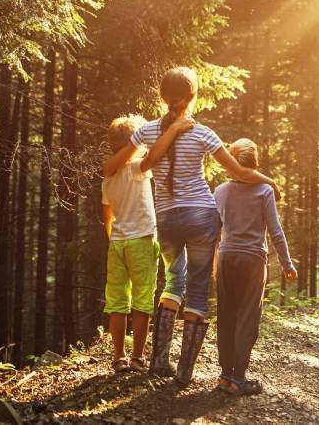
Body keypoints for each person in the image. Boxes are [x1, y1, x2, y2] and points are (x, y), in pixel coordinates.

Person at [102, 67, 281, 385]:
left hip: (167, 219)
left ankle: (158, 360)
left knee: (173, 282)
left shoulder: (146, 132)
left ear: (162, 97)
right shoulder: (203, 133)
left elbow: (124, 165)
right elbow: (239, 172)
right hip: (200, 216)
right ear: (193, 96)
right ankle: (184, 371)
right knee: (197, 293)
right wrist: (270, 182)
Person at [100, 114, 192, 373]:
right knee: (142, 299)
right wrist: (173, 130)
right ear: (134, 144)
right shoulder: (136, 169)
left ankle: (118, 357)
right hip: (141, 240)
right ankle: (138, 357)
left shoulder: (108, 179)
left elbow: (107, 217)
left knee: (117, 301)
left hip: (117, 244)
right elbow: (154, 158)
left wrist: (116, 239)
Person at [213, 138, 296, 395]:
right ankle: (239, 378)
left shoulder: (221, 191)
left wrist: (210, 262)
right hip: (252, 261)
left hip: (226, 257)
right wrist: (287, 264)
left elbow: (213, 231)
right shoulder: (264, 191)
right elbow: (275, 231)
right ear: (254, 163)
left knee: (226, 316)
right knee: (247, 318)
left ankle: (225, 376)